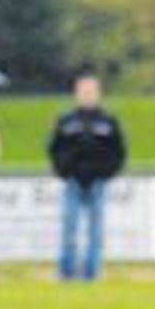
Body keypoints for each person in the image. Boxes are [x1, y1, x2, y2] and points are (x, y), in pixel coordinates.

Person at [47, 73, 127, 282]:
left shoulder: (108, 122)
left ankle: (92, 273)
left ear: (99, 94)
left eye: (91, 91)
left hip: (98, 182)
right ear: (76, 94)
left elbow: (119, 152)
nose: (87, 95)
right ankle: (66, 272)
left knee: (95, 231)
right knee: (69, 229)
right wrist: (63, 170)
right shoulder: (66, 121)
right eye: (83, 91)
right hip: (73, 181)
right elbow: (54, 149)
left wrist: (106, 172)